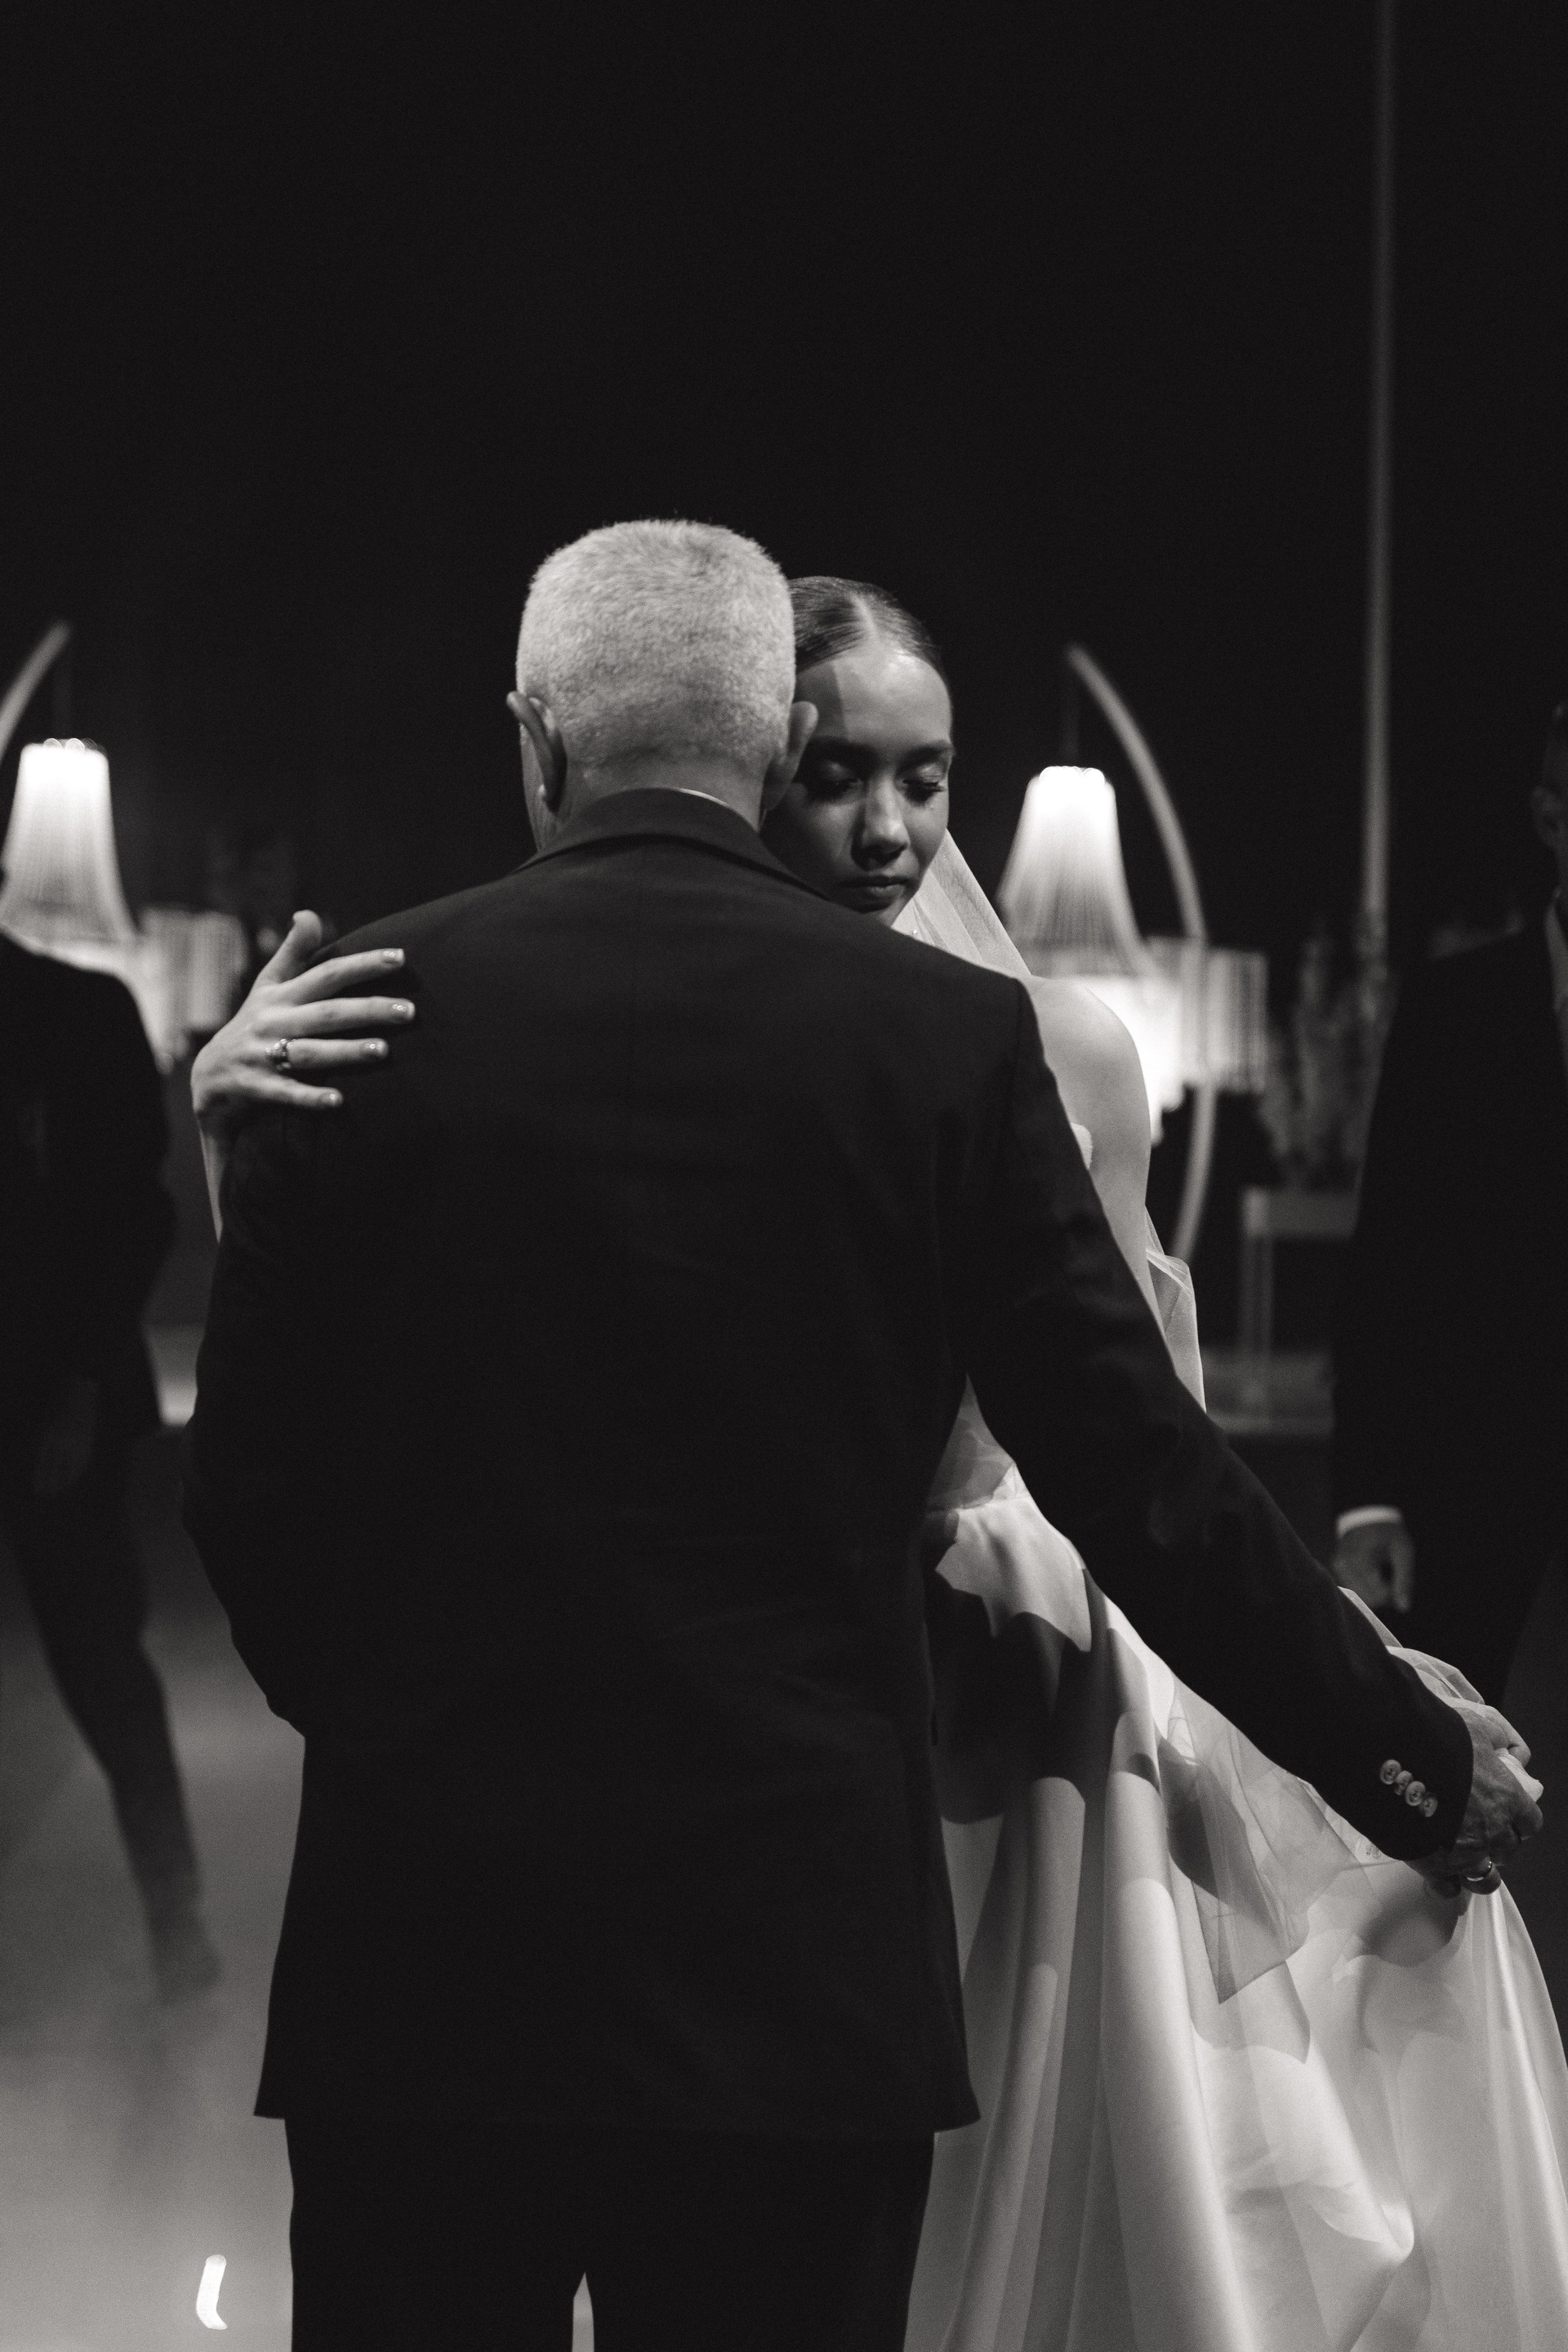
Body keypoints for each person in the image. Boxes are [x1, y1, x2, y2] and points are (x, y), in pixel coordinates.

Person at [184, 524, 1531, 2352]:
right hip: (793, 1962)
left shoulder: (356, 1012)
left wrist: (392, 1720)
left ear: (535, 737)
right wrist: (1406, 1762)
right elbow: (1141, 1479)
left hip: (427, 1959)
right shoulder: (949, 1044)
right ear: (766, 745)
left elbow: (253, 1496)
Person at [0, 918, 218, 2001]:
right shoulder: (76, 1010)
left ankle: (177, 1922)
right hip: (59, 1387)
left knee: (102, 1665)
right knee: (104, 1663)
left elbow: (133, 1213)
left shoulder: (74, 1011)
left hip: (56, 1392)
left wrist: (83, 1381)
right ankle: (176, 1927)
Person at [1334, 703, 1568, 1705]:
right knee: (1450, 1768)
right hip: (1472, 1485)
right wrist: (1367, 1498)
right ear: (1551, 816)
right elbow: (1389, 1262)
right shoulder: (1455, 1010)